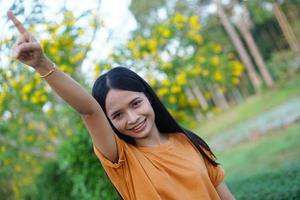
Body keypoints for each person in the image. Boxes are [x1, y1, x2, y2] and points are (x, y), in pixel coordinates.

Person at [7, 10, 235, 200]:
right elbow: (89, 110)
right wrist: (41, 64)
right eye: (117, 115)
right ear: (109, 121)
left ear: (148, 96)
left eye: (135, 103)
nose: (133, 118)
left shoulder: (189, 141)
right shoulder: (121, 159)